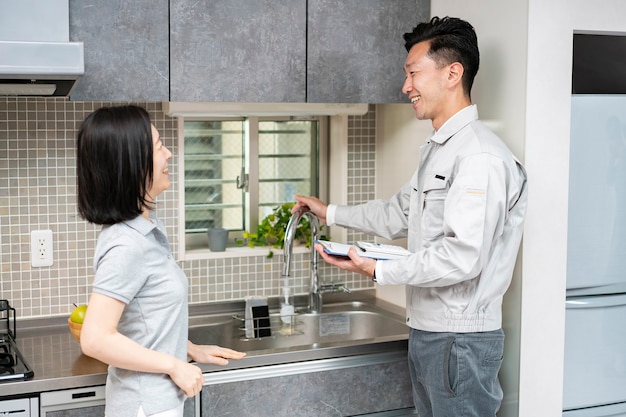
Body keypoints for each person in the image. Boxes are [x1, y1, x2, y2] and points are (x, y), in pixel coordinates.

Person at [293, 16, 528, 417]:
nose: (406, 87)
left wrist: (379, 271)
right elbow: (396, 213)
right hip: (431, 333)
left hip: (460, 340)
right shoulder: (439, 150)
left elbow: (463, 257)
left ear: (453, 73)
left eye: (413, 73)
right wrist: (329, 211)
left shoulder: (480, 157)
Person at [76, 105, 246, 417]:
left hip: (157, 403)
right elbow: (95, 338)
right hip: (144, 407)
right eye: (158, 147)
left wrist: (187, 348)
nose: (169, 155)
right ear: (133, 164)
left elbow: (144, 321)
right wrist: (173, 365)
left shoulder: (145, 230)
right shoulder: (127, 243)